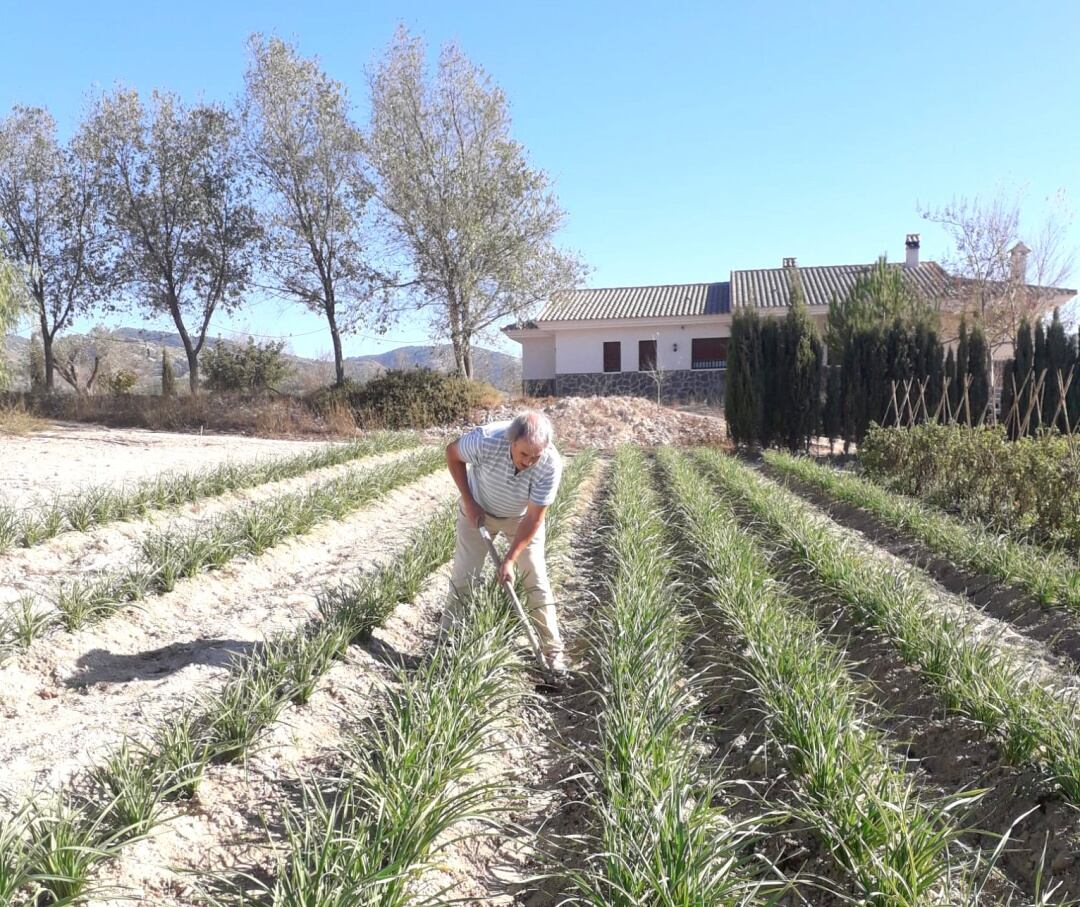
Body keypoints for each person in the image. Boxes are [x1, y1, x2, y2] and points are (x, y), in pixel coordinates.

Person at [441, 410, 566, 672]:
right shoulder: (486, 440)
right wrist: (469, 501)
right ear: (511, 442)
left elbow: (534, 518)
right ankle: (448, 643)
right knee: (465, 575)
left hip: (520, 520)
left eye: (536, 456)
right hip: (477, 511)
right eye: (524, 454)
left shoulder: (550, 463)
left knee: (535, 578)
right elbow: (452, 454)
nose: (530, 461)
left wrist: (509, 559)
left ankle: (552, 652)